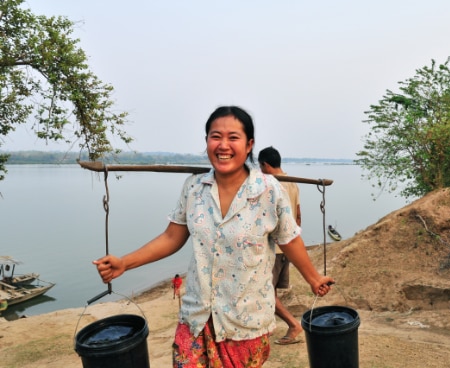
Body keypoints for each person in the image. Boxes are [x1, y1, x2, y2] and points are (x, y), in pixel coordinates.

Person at [93, 106, 334, 368]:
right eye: (215, 136)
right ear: (206, 141)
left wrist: (314, 278)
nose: (223, 145)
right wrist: (125, 263)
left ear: (249, 144)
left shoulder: (268, 190)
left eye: (233, 137)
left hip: (244, 323)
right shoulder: (194, 188)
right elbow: (172, 237)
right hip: (196, 318)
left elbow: (289, 239)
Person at [258, 146, 304, 346]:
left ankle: (293, 324)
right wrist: (293, 242)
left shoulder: (269, 185)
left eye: (260, 167)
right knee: (272, 291)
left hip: (274, 248)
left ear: (265, 165)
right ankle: (266, 329)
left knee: (264, 291)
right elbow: (298, 215)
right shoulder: (293, 182)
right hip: (287, 245)